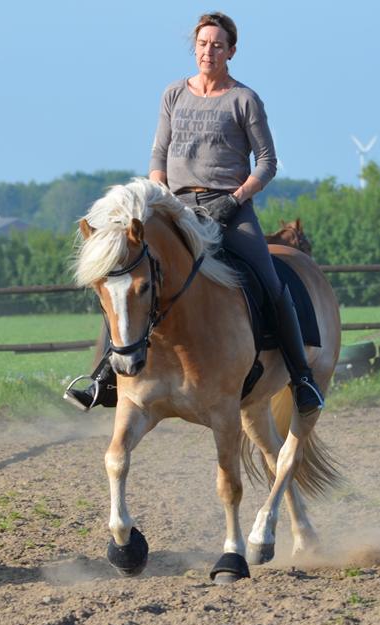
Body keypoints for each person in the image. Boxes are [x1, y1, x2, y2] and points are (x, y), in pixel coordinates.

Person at [66, 11, 324, 415]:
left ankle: (302, 378)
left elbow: (268, 163)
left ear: (231, 51)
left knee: (271, 282)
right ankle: (106, 377)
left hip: (230, 207)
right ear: (196, 47)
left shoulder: (244, 99)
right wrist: (159, 195)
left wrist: (235, 199)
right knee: (126, 276)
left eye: (218, 45)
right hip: (177, 207)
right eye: (203, 44)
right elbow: (158, 153)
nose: (209, 51)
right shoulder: (173, 94)